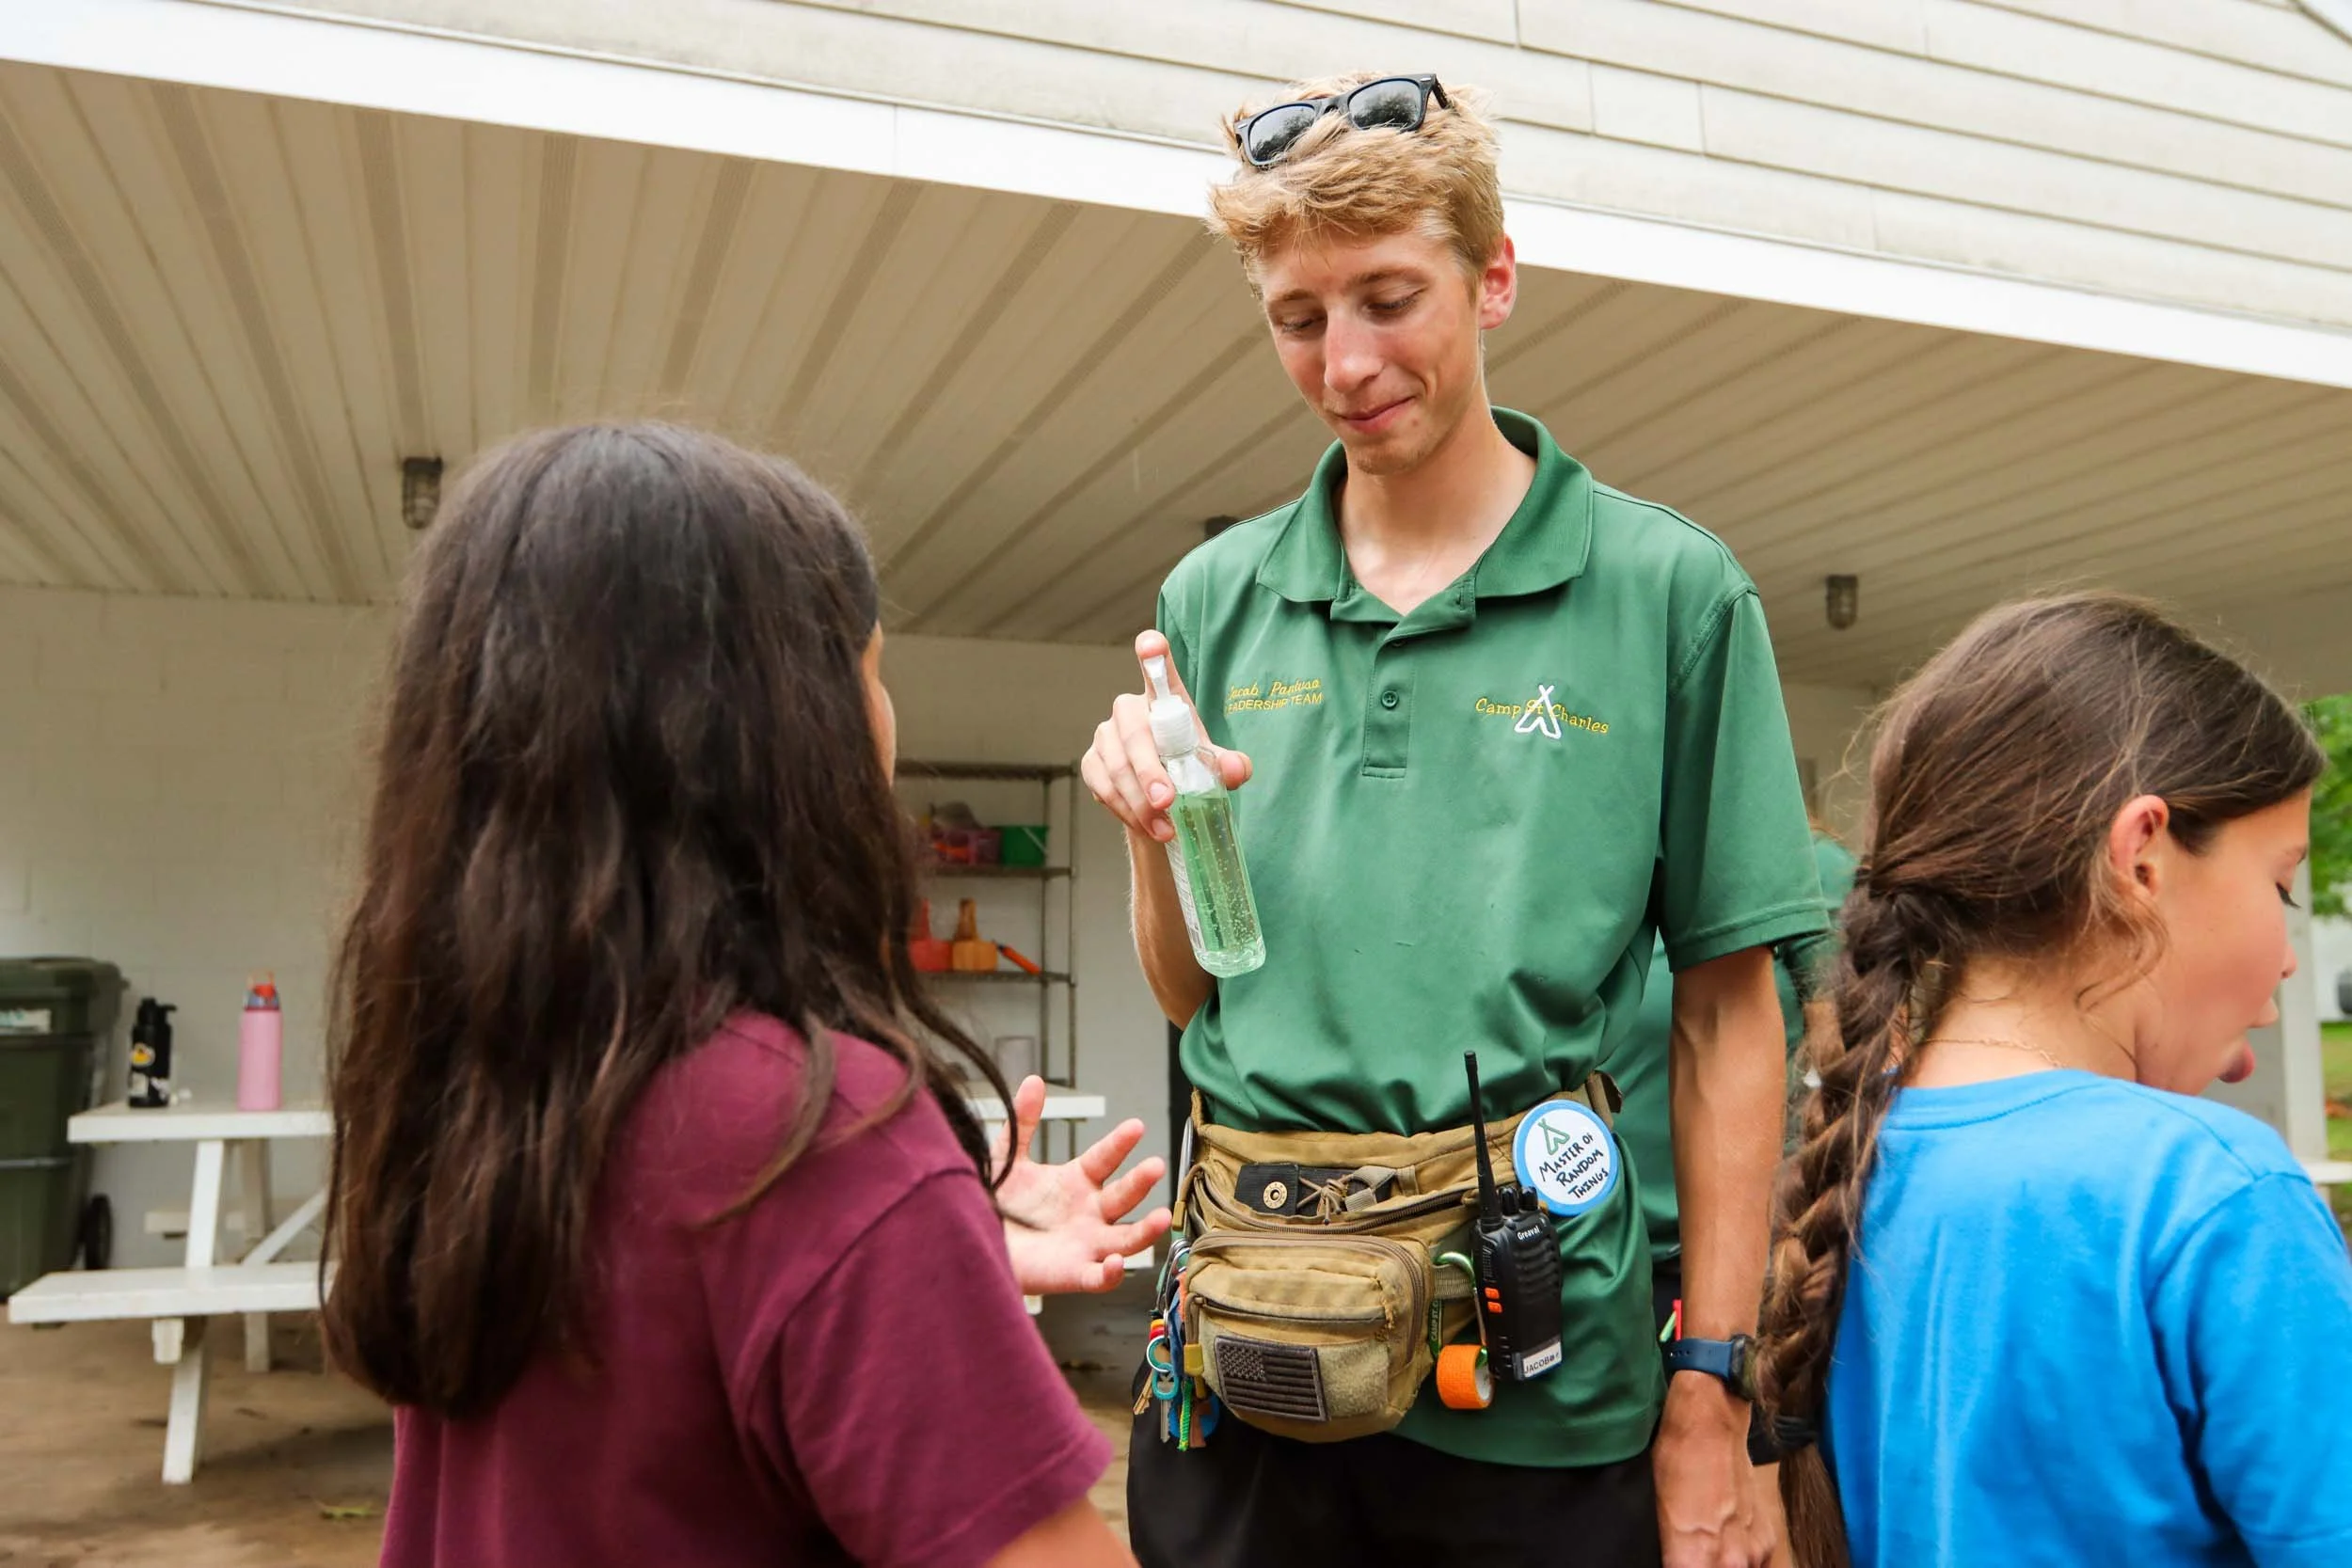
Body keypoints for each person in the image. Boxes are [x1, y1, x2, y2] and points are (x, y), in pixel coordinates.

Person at [1083, 72, 1823, 1567]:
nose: (1346, 361)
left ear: (1494, 277)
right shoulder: (1214, 599)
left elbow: (1731, 1017)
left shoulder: (1668, 592)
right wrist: (1150, 830)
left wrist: (1713, 1385)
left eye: (1388, 298)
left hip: (1536, 1385)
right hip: (1249, 1354)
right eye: (1299, 317)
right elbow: (1187, 987)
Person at [323, 424, 1168, 1568]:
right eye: (871, 672)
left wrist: (917, 1261)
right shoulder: (819, 1131)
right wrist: (879, 1226)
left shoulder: (491, 1078)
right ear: (793, 728)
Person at [1755, 594, 2352, 1568]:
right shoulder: (2214, 1191)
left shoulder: (1855, 1156)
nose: (2288, 955)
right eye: (2279, 883)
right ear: (2143, 859)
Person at [1614, 820, 1858, 1335]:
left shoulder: (1806, 866)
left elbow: (1866, 1069)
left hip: (1749, 1271)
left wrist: (1819, 1236)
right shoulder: (1600, 879)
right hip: (1597, 1262)